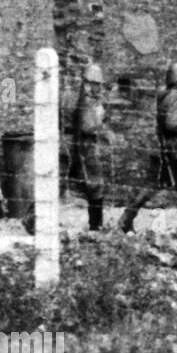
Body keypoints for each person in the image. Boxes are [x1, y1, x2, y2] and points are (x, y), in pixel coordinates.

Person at [117, 62, 177, 233]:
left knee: (151, 186)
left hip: (165, 147)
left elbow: (168, 125)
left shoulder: (165, 95)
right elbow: (172, 124)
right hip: (175, 150)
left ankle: (125, 220)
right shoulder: (176, 95)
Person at [70, 63, 110, 231]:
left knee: (93, 185)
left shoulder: (91, 101)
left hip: (88, 145)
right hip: (87, 146)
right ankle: (95, 225)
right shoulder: (86, 102)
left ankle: (96, 224)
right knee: (94, 185)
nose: (99, 87)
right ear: (88, 84)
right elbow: (88, 126)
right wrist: (100, 118)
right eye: (96, 84)